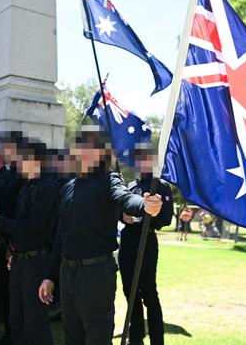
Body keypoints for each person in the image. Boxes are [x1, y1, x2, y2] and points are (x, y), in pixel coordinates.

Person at [38, 126, 164, 345]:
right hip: (67, 273)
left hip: (96, 274)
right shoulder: (68, 186)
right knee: (72, 337)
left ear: (100, 152)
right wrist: (49, 275)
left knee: (97, 338)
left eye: (91, 146)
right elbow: (61, 235)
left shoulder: (109, 179)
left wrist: (144, 204)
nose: (83, 150)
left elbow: (125, 199)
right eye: (80, 145)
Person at [0, 140, 58, 344]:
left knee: (35, 323)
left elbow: (32, 227)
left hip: (37, 263)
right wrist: (13, 250)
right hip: (19, 262)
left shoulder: (47, 188)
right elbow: (20, 225)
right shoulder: (25, 188)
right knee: (16, 320)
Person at [118, 145, 173, 345]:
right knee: (129, 291)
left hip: (147, 241)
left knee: (148, 292)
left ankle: (157, 340)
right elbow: (121, 211)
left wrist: (139, 219)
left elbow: (166, 218)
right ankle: (136, 337)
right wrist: (124, 217)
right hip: (128, 242)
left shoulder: (160, 186)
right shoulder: (130, 186)